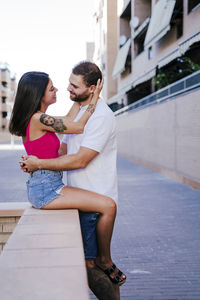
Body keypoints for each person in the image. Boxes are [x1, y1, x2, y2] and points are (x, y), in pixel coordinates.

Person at [19, 63, 126, 299]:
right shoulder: (41, 118)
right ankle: (106, 262)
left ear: (90, 88)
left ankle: (106, 263)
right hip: (53, 189)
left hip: (71, 190)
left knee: (91, 264)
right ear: (38, 94)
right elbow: (75, 128)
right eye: (53, 87)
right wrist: (37, 165)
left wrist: (38, 163)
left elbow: (73, 152)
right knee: (89, 266)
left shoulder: (97, 116)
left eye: (72, 86)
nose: (62, 89)